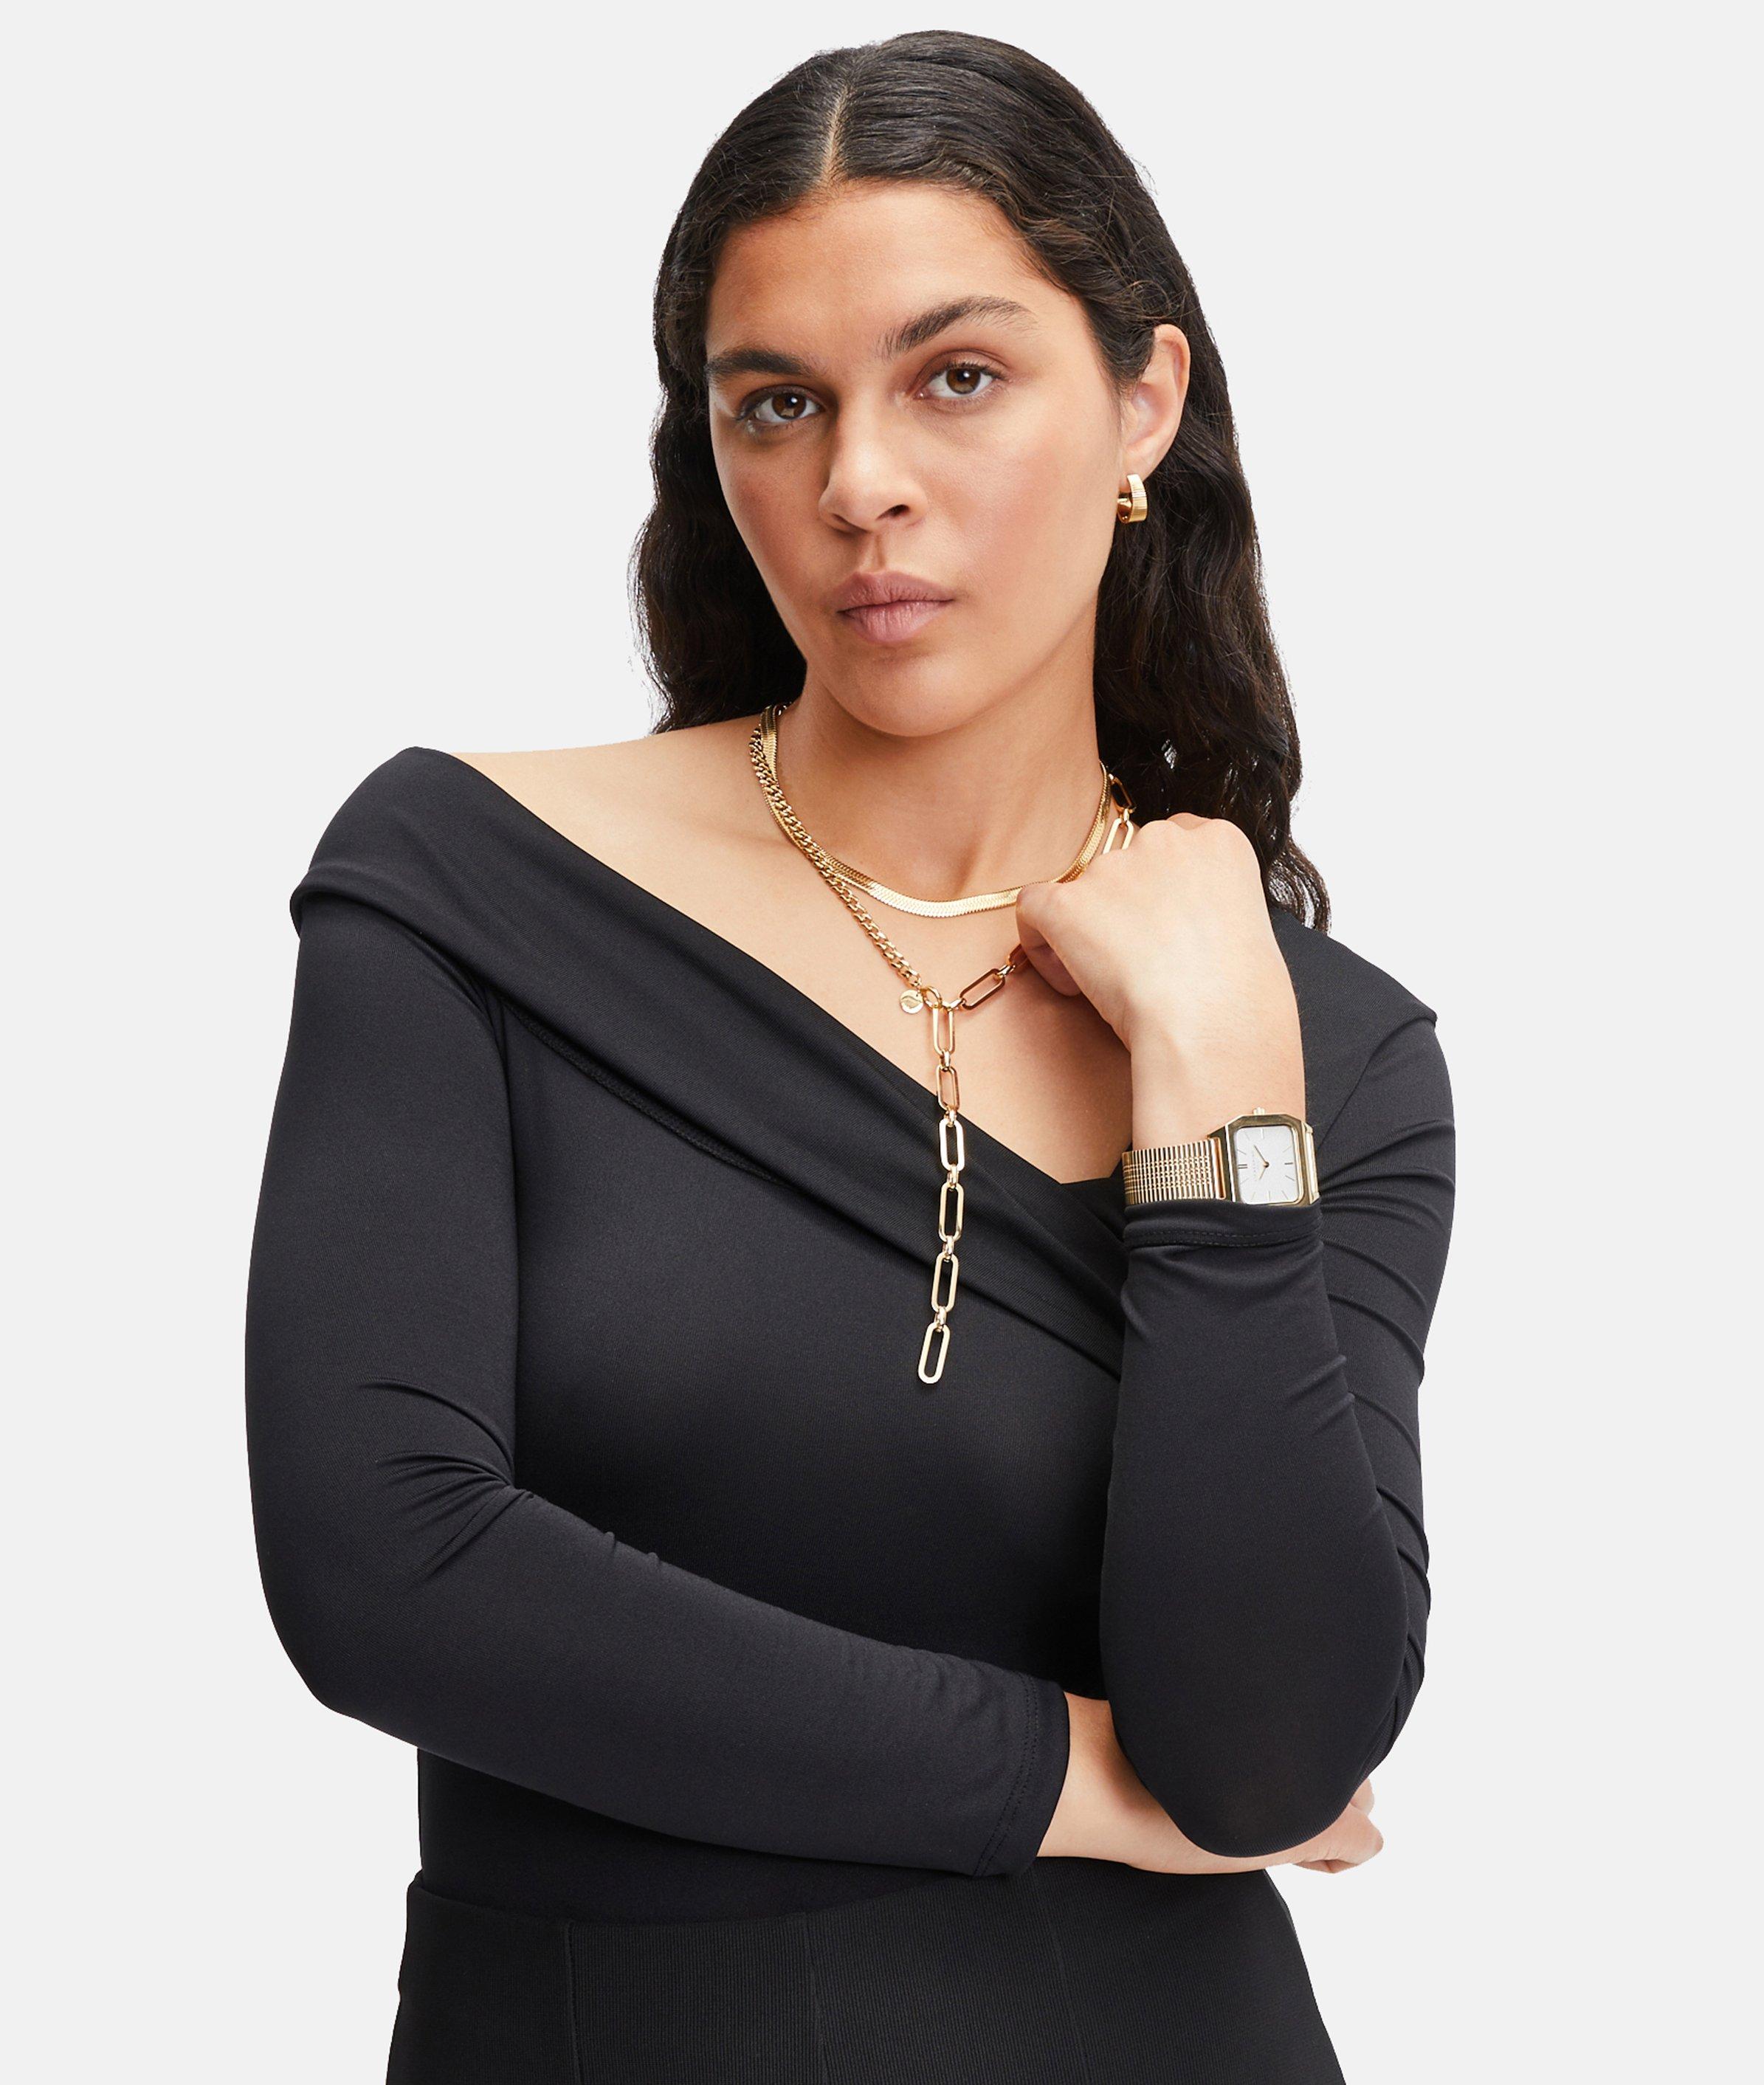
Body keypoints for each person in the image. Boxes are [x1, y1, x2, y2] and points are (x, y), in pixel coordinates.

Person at [244, 30, 1456, 2083]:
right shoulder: (471, 888)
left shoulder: (1323, 1048)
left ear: (1144, 401)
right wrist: (1063, 1775)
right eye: (778, 403)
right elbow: (389, 1566)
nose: (858, 484)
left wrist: (1219, 1086)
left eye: (955, 377)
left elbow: (1265, 1754)